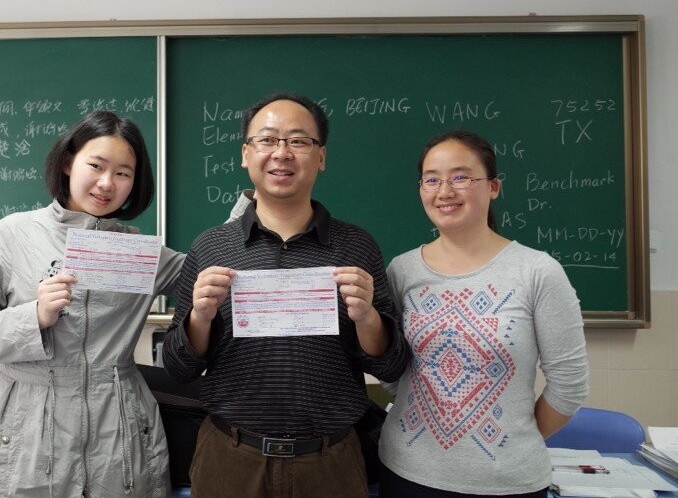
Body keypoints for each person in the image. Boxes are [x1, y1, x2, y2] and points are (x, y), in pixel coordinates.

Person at [162, 93, 411, 498]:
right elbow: (179, 368)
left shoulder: (357, 246)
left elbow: (393, 364)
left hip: (330, 463)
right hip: (229, 459)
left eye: (298, 141)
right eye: (267, 139)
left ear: (321, 157)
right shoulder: (211, 247)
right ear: (246, 154)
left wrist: (368, 318)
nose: (282, 153)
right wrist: (199, 319)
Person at [0, 110, 186, 498]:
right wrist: (34, 316)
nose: (107, 183)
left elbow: (214, 270)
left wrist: (261, 204)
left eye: (123, 173)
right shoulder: (15, 233)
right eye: (96, 166)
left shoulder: (140, 254)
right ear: (68, 162)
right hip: (25, 430)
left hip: (118, 431)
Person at [378, 130, 590, 498]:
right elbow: (392, 368)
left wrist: (515, 441)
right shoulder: (402, 270)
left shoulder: (537, 272)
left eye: (461, 177)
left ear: (493, 187)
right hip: (406, 473)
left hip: (507, 482)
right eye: (432, 180)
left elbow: (569, 385)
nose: (445, 191)